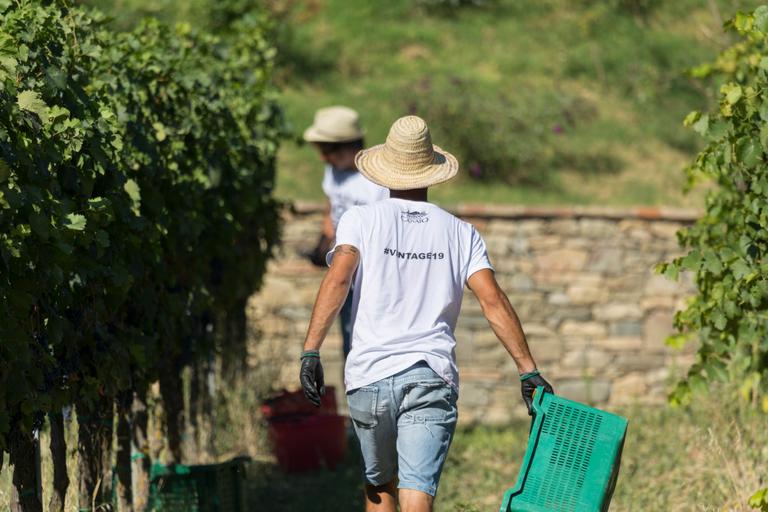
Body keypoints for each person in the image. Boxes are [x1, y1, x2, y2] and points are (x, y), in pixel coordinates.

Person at [299, 116, 553, 512]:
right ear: (432, 175)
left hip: (369, 376)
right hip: (430, 376)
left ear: (383, 174)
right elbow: (493, 300)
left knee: (379, 488)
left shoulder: (360, 220)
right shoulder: (460, 232)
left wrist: (311, 351)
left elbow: (338, 280)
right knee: (418, 494)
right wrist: (527, 369)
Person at [304, 106, 388, 357]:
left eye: (326, 152)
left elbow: (385, 230)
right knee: (349, 341)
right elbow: (332, 206)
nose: (322, 159)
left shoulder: (377, 181)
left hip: (369, 273)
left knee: (366, 341)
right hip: (344, 269)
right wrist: (324, 241)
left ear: (347, 148)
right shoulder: (334, 171)